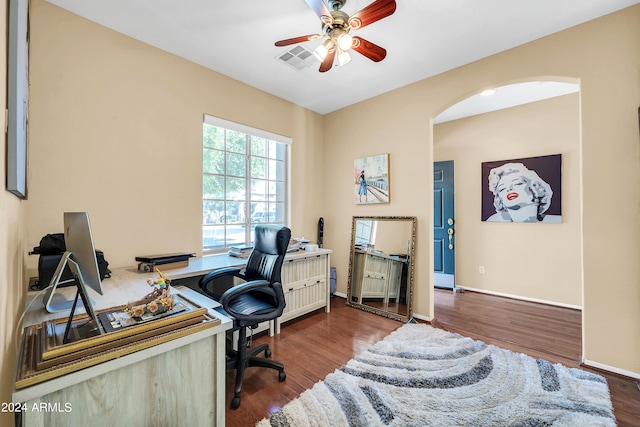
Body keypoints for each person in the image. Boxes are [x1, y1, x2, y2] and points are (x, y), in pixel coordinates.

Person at [486, 162, 560, 223]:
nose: (509, 189)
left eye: (517, 183)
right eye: (502, 189)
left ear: (535, 189)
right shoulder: (493, 221)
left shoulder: (556, 221)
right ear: (499, 199)